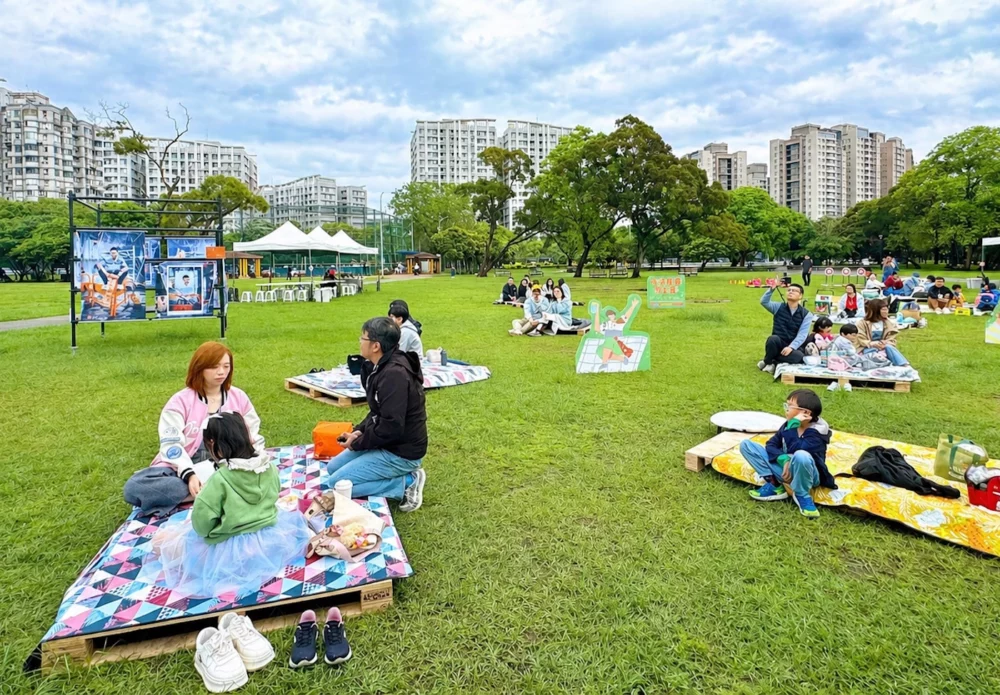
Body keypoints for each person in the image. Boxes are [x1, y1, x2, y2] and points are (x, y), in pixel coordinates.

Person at [142, 412, 311, 598]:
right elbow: (274, 494)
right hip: (269, 542)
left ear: (213, 444)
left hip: (227, 554)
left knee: (160, 542)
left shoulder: (219, 480)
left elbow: (202, 526)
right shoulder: (269, 467)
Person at [123, 342, 264, 517]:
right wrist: (189, 475)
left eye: (226, 366)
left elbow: (252, 435)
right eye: (214, 367)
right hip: (183, 466)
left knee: (258, 471)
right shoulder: (180, 401)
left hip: (227, 464)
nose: (221, 372)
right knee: (135, 487)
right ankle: (212, 491)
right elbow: (171, 444)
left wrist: (257, 462)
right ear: (199, 368)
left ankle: (206, 490)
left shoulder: (239, 397)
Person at [327, 317, 428, 512]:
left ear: (376, 346)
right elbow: (377, 411)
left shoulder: (394, 375)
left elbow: (391, 426)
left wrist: (358, 443)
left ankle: (407, 481)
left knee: (337, 484)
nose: (359, 341)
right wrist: (358, 432)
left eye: (363, 338)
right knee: (332, 469)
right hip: (388, 441)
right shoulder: (377, 366)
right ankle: (397, 478)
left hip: (402, 451)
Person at [738, 389, 835, 519]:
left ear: (805, 413)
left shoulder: (818, 433)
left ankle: (802, 494)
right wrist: (783, 459)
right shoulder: (788, 425)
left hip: (808, 476)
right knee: (746, 445)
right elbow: (771, 444)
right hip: (786, 471)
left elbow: (798, 449)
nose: (786, 409)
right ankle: (775, 484)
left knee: (801, 455)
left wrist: (793, 425)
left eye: (790, 406)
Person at [756, 281, 813, 374]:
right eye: (789, 290)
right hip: (778, 343)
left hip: (793, 346)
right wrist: (771, 289)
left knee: (799, 357)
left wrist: (791, 347)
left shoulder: (807, 314)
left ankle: (771, 360)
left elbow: (802, 335)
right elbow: (764, 302)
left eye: (794, 290)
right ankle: (769, 362)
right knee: (772, 339)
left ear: (800, 296)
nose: (790, 292)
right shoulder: (778, 307)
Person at [857, 299, 909, 366]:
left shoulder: (889, 323)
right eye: (884, 309)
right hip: (867, 348)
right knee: (874, 355)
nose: (886, 311)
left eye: (887, 309)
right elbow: (860, 338)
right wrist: (872, 343)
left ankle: (903, 364)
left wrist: (885, 342)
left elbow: (892, 339)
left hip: (883, 348)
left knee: (889, 347)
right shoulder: (862, 323)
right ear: (875, 310)